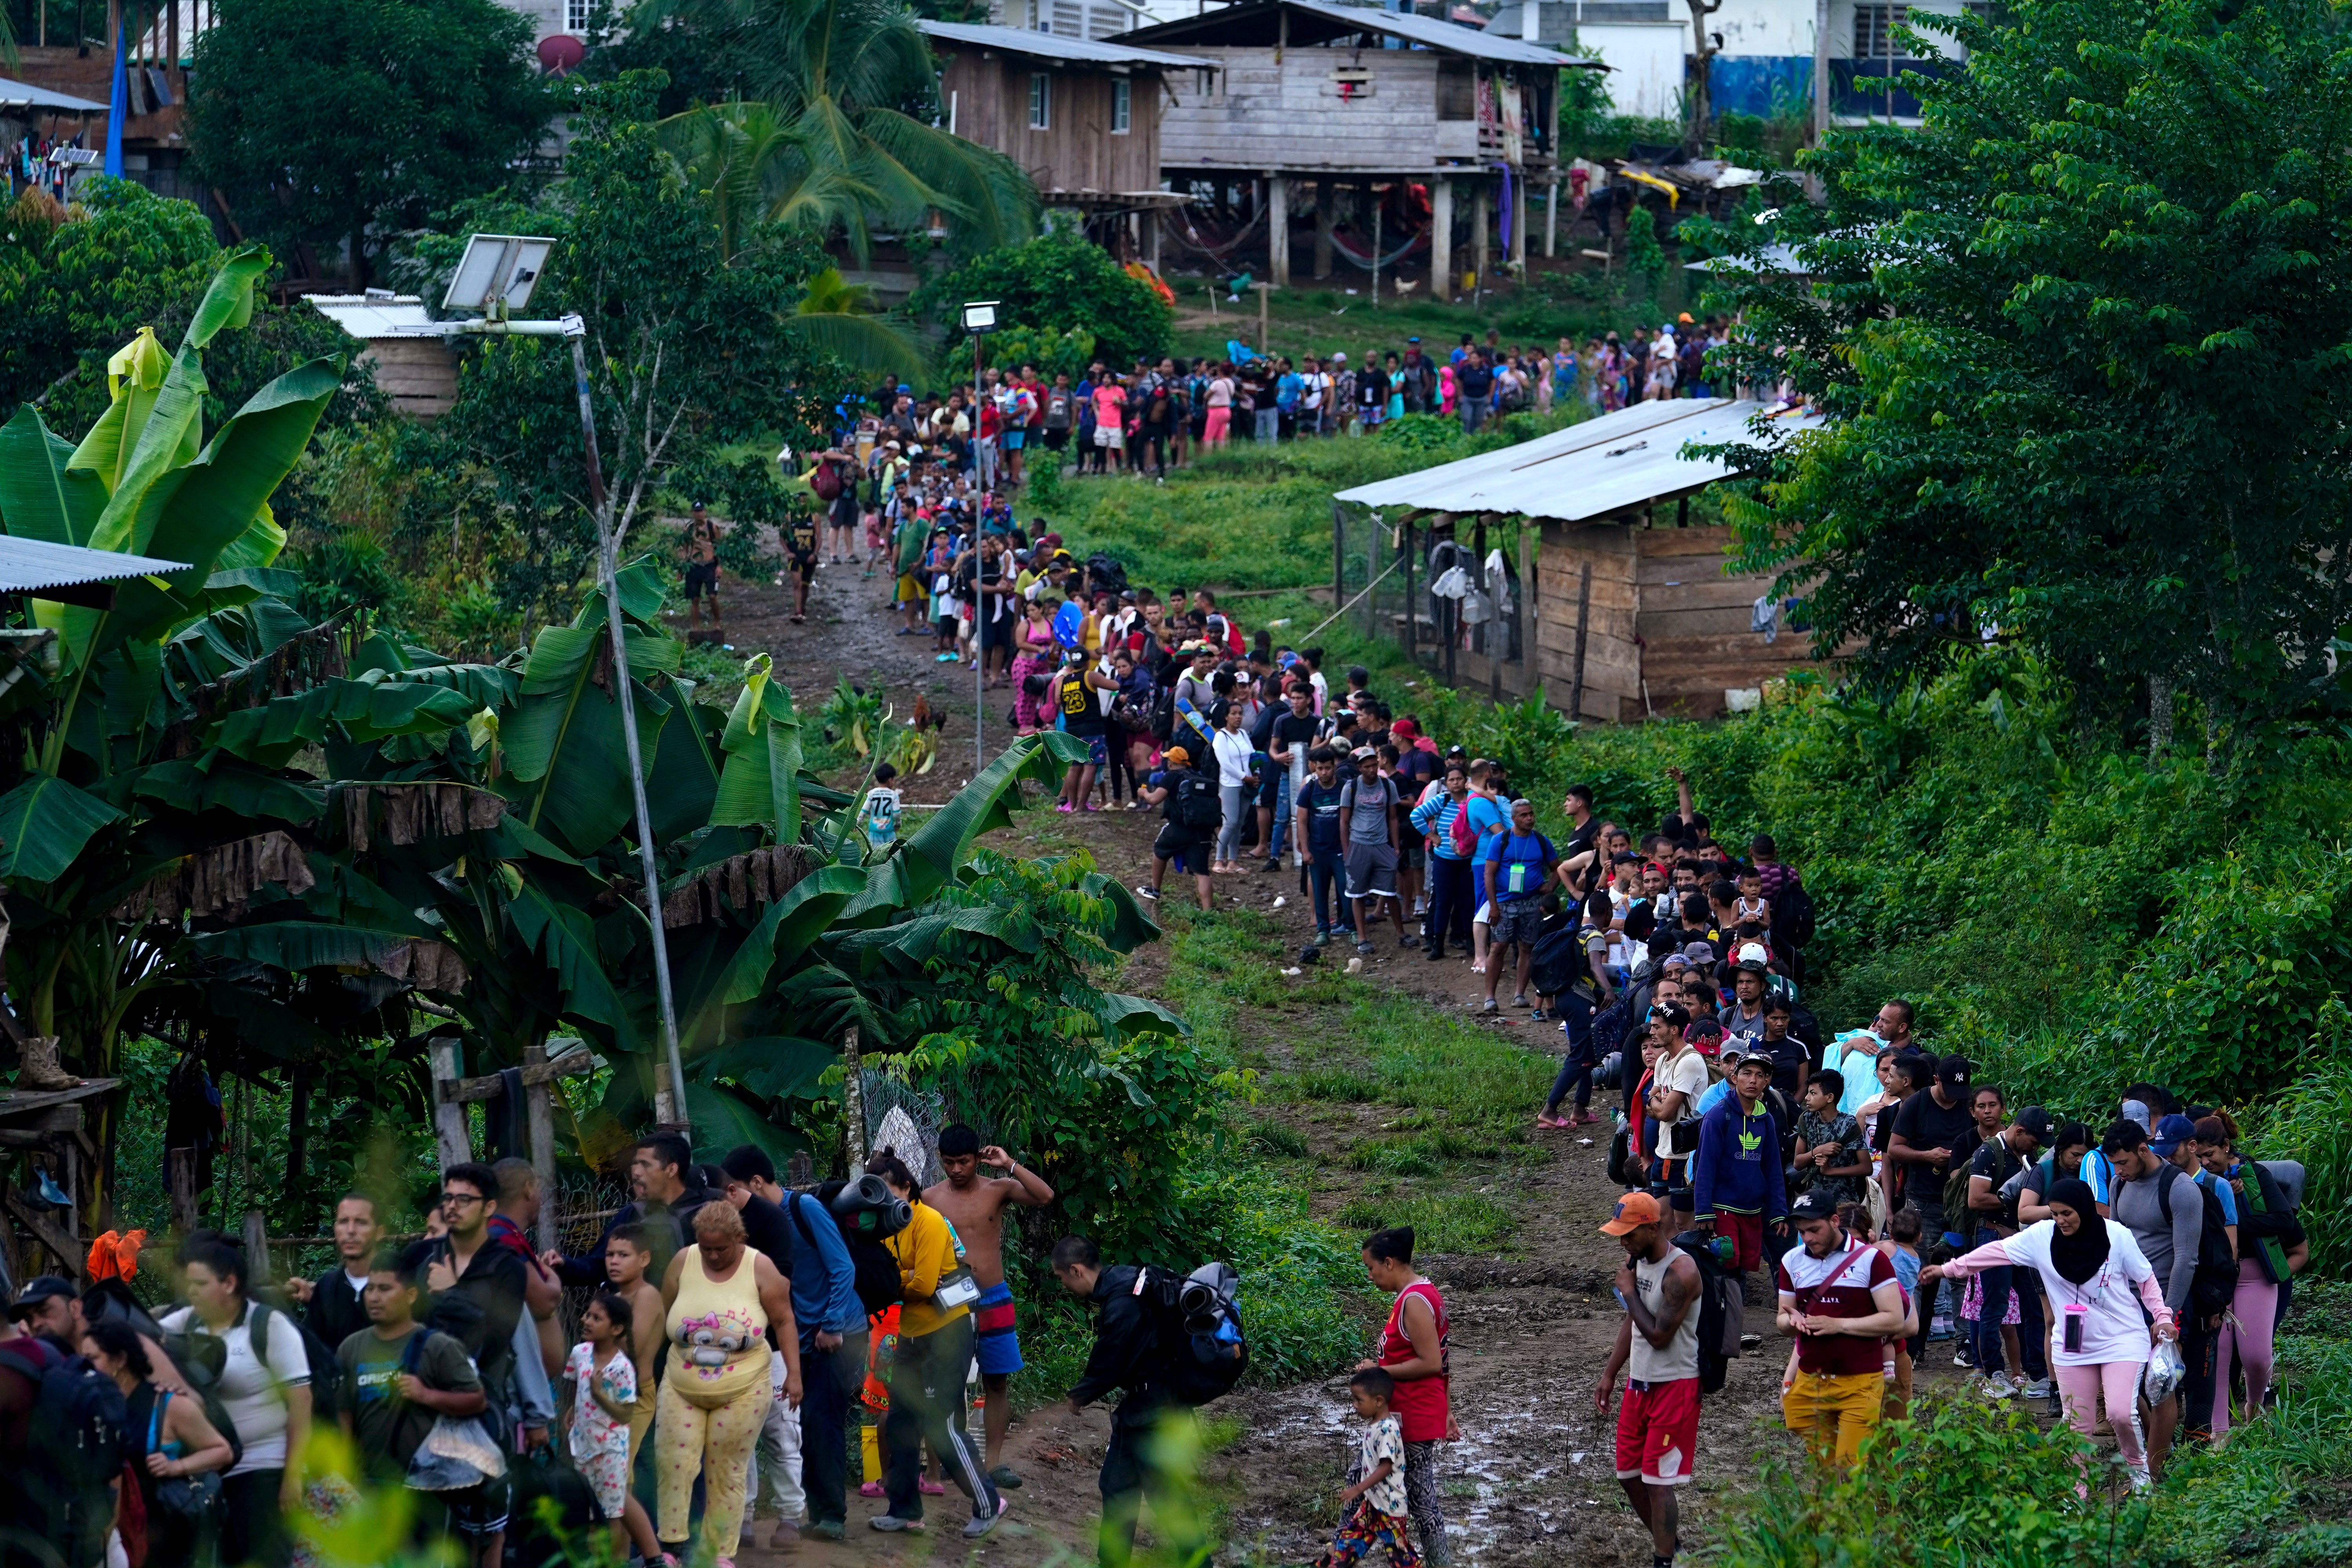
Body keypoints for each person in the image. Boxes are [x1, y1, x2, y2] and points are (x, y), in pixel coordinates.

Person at [1921, 1178, 2174, 1490]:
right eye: (2054, 1213)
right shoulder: (2042, 1237)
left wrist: (2162, 1316)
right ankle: (2075, 1496)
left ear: (2083, 1208)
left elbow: (2146, 1279)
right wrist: (1949, 1269)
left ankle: (2141, 1485)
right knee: (2076, 1424)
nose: (2060, 1220)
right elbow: (1997, 1252)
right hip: (2073, 1342)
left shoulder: (2116, 1235)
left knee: (2120, 1413)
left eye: (2067, 1213)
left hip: (2122, 1337)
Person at [720, 1147, 864, 1542]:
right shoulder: (753, 1224)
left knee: (823, 1422)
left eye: (732, 1188)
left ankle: (831, 1516)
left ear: (754, 1183)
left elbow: (842, 1267)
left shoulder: (805, 1209)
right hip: (799, 1340)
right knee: (806, 1425)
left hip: (836, 1334)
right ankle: (817, 1515)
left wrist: (831, 1324)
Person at [656, 1201, 802, 1563]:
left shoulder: (760, 1268)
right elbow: (660, 1312)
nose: (714, 1256)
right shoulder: (683, 1261)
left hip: (743, 1386)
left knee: (727, 1469)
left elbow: (784, 1322)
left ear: (739, 1239)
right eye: (706, 1249)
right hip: (681, 1380)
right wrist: (644, 1367)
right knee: (674, 1460)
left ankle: (719, 1551)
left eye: (721, 1248)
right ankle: (671, 1547)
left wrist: (795, 1376)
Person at [869, 1150, 1004, 1537]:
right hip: (911, 1333)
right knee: (900, 1422)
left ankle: (987, 1502)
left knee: (942, 1424)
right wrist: (903, 1278)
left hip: (947, 1332)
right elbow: (896, 1280)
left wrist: (896, 1279)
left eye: (887, 1190)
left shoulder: (927, 1221)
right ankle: (905, 1510)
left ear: (906, 1187)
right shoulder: (885, 1226)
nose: (880, 1199)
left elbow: (923, 1285)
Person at [158, 1236, 311, 1568]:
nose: (192, 1292)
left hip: (262, 1470)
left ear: (229, 1283)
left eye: (201, 1283)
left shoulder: (270, 1326)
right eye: (189, 1284)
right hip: (206, 1474)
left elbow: (302, 1403)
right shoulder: (187, 1322)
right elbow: (141, 1339)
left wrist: (293, 1477)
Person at [1052, 1235, 1204, 1568]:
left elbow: (1112, 1358)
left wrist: (1081, 1394)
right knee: (1117, 1485)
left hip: (1154, 1406)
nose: (1063, 1285)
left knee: (1164, 1494)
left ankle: (1198, 1560)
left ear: (1076, 1271)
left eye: (1062, 1278)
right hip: (1144, 1404)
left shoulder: (1122, 1302)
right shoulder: (1124, 1279)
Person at [338, 1247, 498, 1559]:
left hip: (426, 1487)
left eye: (385, 1289)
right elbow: (344, 1412)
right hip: (369, 1483)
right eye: (370, 1289)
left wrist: (428, 1396)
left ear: (411, 1296)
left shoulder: (437, 1347)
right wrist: (345, 1473)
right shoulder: (351, 1348)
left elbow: (477, 1400)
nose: (375, 1297)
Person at [924, 1126, 1056, 1490]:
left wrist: (1009, 1164)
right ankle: (946, 1464)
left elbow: (1045, 1196)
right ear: (940, 1160)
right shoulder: (929, 1198)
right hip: (950, 1302)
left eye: (963, 1162)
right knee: (946, 1384)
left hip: (994, 1297)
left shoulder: (997, 1190)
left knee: (997, 1379)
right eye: (949, 1162)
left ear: (977, 1158)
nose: (956, 1169)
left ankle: (994, 1463)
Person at [1593, 1192, 1699, 1568]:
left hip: (1675, 1386)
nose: (1623, 1242)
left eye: (1630, 1234)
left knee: (1658, 1482)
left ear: (1653, 1228)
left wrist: (1627, 1292)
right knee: (1628, 1474)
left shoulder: (1681, 1273)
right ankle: (1671, 1543)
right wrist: (1610, 1374)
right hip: (1639, 1384)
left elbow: (1658, 1335)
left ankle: (1664, 1560)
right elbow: (1632, 1322)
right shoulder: (1635, 1263)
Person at [83, 1318, 232, 1568]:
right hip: (122, 1537)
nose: (84, 1367)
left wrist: (178, 1467)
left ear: (120, 1360)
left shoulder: (169, 1405)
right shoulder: (97, 1406)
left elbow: (222, 1451)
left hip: (168, 1536)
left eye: (92, 1359)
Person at [1775, 1191, 1907, 1469]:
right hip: (1813, 1382)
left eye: (1814, 1230)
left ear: (1835, 1221)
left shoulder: (1871, 1260)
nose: (1808, 1239)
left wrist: (1839, 1325)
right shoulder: (1791, 1261)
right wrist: (1793, 1322)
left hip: (1860, 1381)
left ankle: (1871, 1510)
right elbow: (1782, 1320)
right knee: (1823, 1471)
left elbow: (1896, 1320)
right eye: (1802, 1232)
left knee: (1851, 1467)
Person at [2102, 1116, 2201, 1476]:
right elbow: (2114, 1242)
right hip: (2123, 1301)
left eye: (2124, 1161)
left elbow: (2186, 1258)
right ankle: (2156, 1448)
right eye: (2114, 1163)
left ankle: (2153, 1478)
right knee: (2127, 1388)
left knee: (2161, 1387)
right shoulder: (2118, 1183)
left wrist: (2166, 1316)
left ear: (2144, 1150)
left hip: (2164, 1299)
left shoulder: (2180, 1189)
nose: (2119, 1170)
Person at [1356, 1229, 1450, 1566]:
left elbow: (1432, 1362)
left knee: (1421, 1504)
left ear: (1390, 1262)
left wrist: (1378, 1371)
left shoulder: (1413, 1301)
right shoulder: (1420, 1294)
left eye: (1371, 1268)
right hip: (1409, 1416)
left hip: (1411, 1418)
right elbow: (1444, 1356)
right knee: (1367, 1488)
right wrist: (1448, 1409)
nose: (1370, 1276)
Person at [564, 1289, 661, 1564]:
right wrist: (575, 1407)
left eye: (596, 1318)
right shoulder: (580, 1353)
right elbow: (575, 1384)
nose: (587, 1321)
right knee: (589, 1513)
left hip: (610, 1451)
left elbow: (626, 1415)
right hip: (583, 1447)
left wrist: (598, 1396)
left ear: (617, 1329)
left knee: (612, 1513)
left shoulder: (622, 1369)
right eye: (587, 1315)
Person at [1963, 1103, 2052, 1399]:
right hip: (1993, 1237)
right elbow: (1975, 1200)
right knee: (1995, 1307)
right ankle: (1995, 1374)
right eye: (2034, 1141)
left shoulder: (2026, 1155)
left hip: (2020, 1240)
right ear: (2020, 1131)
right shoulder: (1990, 1152)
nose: (2036, 1147)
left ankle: (2037, 1374)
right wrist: (2017, 1202)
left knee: (2033, 1306)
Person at [547, 1134, 717, 1288]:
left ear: (671, 1170)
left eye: (645, 1165)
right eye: (635, 1164)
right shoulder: (632, 1214)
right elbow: (598, 1267)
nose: (635, 1173)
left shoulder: (708, 1215)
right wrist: (565, 1265)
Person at [1691, 1049, 1789, 1278]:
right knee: (1726, 1268)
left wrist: (1779, 1211)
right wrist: (1704, 1211)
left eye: (1759, 1075)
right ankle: (1725, 1314)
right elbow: (1705, 1164)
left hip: (1753, 1210)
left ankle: (1734, 1313)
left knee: (1743, 1270)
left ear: (1767, 1082)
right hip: (1723, 1209)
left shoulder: (1766, 1120)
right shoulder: (1718, 1116)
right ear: (1734, 1078)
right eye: (1746, 1073)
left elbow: (1773, 1168)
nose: (1753, 1080)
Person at [1315, 1369, 1420, 1568]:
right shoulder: (1375, 1426)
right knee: (1348, 1546)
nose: (1354, 1406)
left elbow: (1386, 1467)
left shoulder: (1388, 1429)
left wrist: (1358, 1489)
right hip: (1371, 1505)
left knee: (1401, 1557)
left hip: (1390, 1507)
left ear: (1379, 1401)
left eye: (1359, 1400)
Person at [1887, 1054, 1978, 1251]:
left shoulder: (1968, 1103)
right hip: (1923, 1199)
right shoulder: (1917, 1103)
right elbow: (1893, 1149)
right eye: (1950, 1089)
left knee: (1958, 1268)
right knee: (1920, 1263)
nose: (1955, 1096)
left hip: (1959, 1200)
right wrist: (1928, 1156)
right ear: (1937, 1080)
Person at [1478, 798, 1555, 1014]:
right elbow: (1489, 874)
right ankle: (1489, 998)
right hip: (1504, 903)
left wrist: (1550, 886)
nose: (1529, 818)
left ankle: (1519, 994)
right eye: (1524, 815)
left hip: (1531, 903)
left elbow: (1557, 867)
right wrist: (1493, 906)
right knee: (1498, 947)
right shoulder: (1500, 840)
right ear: (1513, 819)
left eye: (1531, 814)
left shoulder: (1541, 841)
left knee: (1527, 947)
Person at [286, 1191, 385, 1356]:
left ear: (379, 1232)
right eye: (344, 1222)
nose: (351, 1231)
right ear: (335, 1229)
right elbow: (312, 1348)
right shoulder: (327, 1286)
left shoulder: (398, 1282)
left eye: (361, 1223)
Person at [1340, 747, 1409, 953]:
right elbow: (1344, 821)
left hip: (1382, 845)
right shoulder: (1351, 788)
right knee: (1358, 894)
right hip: (1358, 844)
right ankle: (1362, 939)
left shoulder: (1388, 786)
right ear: (1360, 768)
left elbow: (1393, 818)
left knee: (1390, 892)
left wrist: (1395, 848)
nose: (1371, 770)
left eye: (1374, 765)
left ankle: (1401, 934)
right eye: (1367, 766)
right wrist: (1346, 851)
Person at [1644, 1009, 1708, 1227]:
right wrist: (1657, 1101)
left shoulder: (1689, 1062)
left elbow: (1664, 1113)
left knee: (1684, 1223)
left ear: (1674, 1030)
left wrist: (1657, 1103)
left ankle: (1689, 1261)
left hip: (1685, 1157)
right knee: (1661, 1220)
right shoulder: (1663, 1059)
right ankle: (1671, 1262)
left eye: (1657, 1027)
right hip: (1664, 1151)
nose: (1651, 1032)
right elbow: (1651, 1104)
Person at [1139, 745, 1217, 911]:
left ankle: (1155, 890)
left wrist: (1144, 794)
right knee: (1202, 872)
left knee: (1160, 851)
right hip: (1203, 830)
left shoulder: (1172, 776)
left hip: (1179, 827)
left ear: (1171, 763)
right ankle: (1208, 912)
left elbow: (1155, 799)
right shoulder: (1198, 777)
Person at [1411, 765, 1475, 962]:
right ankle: (1438, 945)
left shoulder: (1473, 801)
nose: (1456, 783)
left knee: (1467, 903)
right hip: (1444, 860)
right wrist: (1431, 836)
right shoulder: (1442, 800)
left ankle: (1471, 944)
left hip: (1467, 861)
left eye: (1459, 779)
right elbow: (1416, 815)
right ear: (1446, 783)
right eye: (1452, 780)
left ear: (1466, 781)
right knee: (1443, 903)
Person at [1791, 1071, 1870, 1213]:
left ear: (1830, 1098)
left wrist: (1831, 1171)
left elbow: (1866, 1167)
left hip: (1844, 1203)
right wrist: (1818, 1151)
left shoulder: (1848, 1124)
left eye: (1813, 1094)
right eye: (1808, 1093)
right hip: (1814, 1200)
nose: (1807, 1098)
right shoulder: (1807, 1119)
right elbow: (1798, 1163)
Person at [682, 501, 724, 635]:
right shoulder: (689, 529)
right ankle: (696, 628)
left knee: (712, 596)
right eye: (696, 511)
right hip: (694, 566)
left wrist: (719, 566)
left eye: (701, 511)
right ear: (692, 513)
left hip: (710, 565)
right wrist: (682, 568)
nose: (699, 514)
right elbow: (685, 549)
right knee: (694, 599)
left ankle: (717, 623)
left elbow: (719, 547)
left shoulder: (713, 527)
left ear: (704, 512)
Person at [857, 763, 902, 859]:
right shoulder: (894, 795)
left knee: (873, 856)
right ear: (890, 780)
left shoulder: (872, 794)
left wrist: (858, 823)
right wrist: (898, 824)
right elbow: (897, 813)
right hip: (889, 831)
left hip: (875, 831)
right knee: (893, 856)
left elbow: (864, 810)